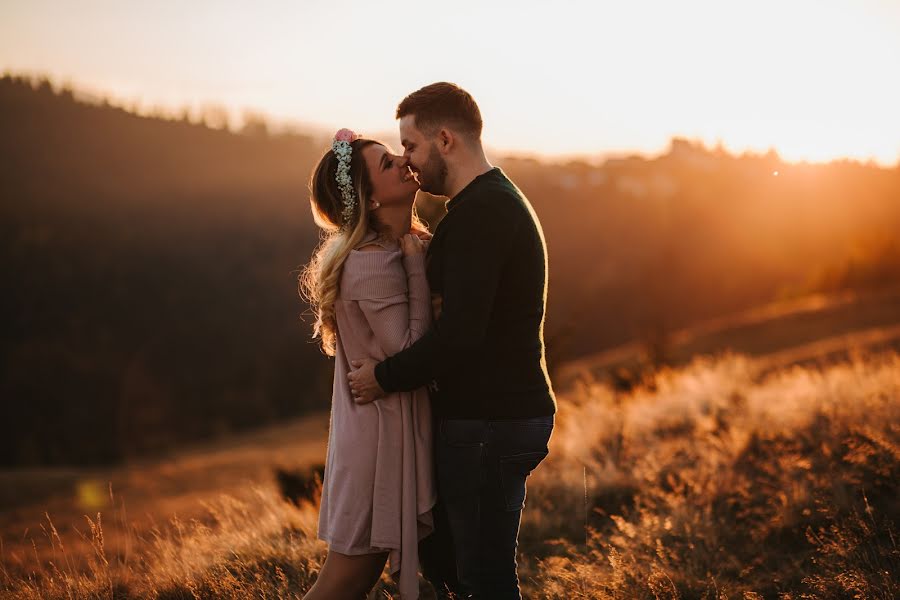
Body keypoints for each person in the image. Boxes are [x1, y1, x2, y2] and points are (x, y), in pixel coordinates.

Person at [347, 82, 558, 599]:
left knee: (483, 580)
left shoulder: (482, 214)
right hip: (495, 417)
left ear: (445, 140)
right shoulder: (484, 205)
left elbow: (461, 337)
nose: (408, 161)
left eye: (412, 146)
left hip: (491, 421)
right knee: (466, 572)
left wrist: (383, 377)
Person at [299, 128, 436, 599]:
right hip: (377, 441)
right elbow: (410, 350)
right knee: (344, 581)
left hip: (383, 429)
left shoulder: (405, 243)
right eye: (386, 164)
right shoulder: (372, 262)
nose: (402, 161)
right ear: (370, 200)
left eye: (395, 153)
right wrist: (416, 268)